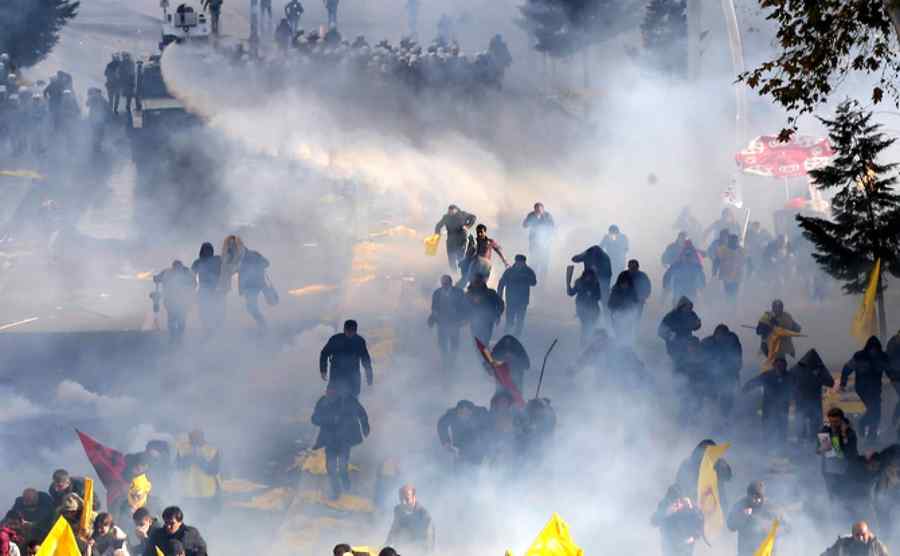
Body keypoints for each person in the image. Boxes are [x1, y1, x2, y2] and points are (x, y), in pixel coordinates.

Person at [311, 382, 370, 499]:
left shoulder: (348, 401)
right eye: (328, 391)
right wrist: (330, 419)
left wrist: (365, 426)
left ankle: (346, 483)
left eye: (332, 391)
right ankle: (336, 491)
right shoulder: (323, 402)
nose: (329, 394)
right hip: (330, 441)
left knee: (342, 467)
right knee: (330, 467)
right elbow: (314, 419)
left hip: (344, 441)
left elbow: (361, 412)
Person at [842, 336, 891, 442]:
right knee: (875, 410)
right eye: (871, 349)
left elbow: (890, 370)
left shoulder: (882, 357)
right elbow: (847, 368)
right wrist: (843, 382)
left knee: (876, 412)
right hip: (862, 388)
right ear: (868, 348)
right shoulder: (859, 356)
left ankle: (871, 435)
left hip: (876, 388)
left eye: (875, 349)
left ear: (878, 349)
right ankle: (863, 425)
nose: (873, 351)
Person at [742, 357, 793, 454]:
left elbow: (797, 388)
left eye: (782, 366)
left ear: (785, 367)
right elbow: (753, 382)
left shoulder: (790, 376)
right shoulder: (767, 376)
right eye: (778, 366)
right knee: (767, 432)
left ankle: (781, 452)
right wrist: (744, 390)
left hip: (782, 411)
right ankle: (766, 451)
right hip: (768, 410)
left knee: (782, 433)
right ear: (774, 366)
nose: (780, 368)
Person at [726, 481, 783, 556]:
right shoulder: (740, 505)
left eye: (758, 497)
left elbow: (785, 527)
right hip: (746, 552)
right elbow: (731, 526)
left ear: (762, 497)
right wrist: (742, 515)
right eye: (752, 497)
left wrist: (770, 527)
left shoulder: (770, 507)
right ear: (748, 496)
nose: (755, 500)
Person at [320, 320, 374, 398]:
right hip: (336, 378)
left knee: (352, 404)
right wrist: (323, 370)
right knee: (331, 402)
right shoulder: (335, 339)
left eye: (352, 332)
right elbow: (324, 353)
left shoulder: (360, 341)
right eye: (347, 331)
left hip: (353, 380)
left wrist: (369, 377)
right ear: (344, 329)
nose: (349, 333)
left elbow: (366, 360)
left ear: (355, 331)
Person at [818, 408, 860, 506]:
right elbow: (819, 451)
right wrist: (822, 448)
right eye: (831, 421)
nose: (833, 424)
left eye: (836, 421)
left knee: (845, 496)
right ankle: (835, 514)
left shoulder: (850, 433)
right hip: (829, 470)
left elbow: (851, 453)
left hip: (846, 470)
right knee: (832, 496)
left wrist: (843, 435)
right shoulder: (825, 430)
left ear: (841, 420)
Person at [174, 430, 221, 519]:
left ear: (202, 436)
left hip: (206, 494)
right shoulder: (182, 448)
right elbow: (177, 466)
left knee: (205, 521)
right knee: (188, 520)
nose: (193, 437)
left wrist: (199, 460)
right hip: (187, 493)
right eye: (191, 434)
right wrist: (190, 457)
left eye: (197, 435)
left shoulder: (212, 449)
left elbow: (213, 470)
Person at [675, 440, 733, 511]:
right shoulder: (688, 464)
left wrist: (722, 464)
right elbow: (679, 484)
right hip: (694, 506)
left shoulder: (717, 463)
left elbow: (728, 477)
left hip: (716, 507)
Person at [700, 324, 743, 422]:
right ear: (715, 335)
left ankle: (725, 417)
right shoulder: (707, 343)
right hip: (711, 374)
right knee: (711, 396)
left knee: (728, 395)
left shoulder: (733, 340)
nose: (722, 339)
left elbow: (737, 357)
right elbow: (701, 359)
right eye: (720, 336)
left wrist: (735, 370)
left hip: (729, 373)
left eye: (724, 336)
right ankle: (710, 416)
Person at [791, 349, 835, 441]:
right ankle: (802, 445)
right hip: (802, 403)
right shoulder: (798, 369)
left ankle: (815, 445)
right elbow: (788, 382)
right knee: (800, 428)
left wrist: (818, 374)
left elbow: (830, 382)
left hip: (814, 404)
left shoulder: (819, 369)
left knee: (816, 428)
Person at [428, 275, 468, 371]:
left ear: (450, 283)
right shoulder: (437, 293)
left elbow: (464, 307)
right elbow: (434, 308)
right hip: (442, 323)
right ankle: (445, 362)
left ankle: (452, 362)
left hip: (454, 322)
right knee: (442, 343)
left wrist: (464, 319)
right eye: (443, 283)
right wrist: (432, 318)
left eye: (446, 283)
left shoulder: (458, 293)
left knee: (454, 343)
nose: (444, 285)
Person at [650, 485, 704, 556]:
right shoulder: (664, 505)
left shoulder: (689, 507)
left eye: (680, 501)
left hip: (686, 545)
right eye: (675, 502)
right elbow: (653, 521)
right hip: (669, 545)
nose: (678, 504)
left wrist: (693, 538)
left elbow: (699, 524)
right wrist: (666, 512)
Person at [153, 261, 195, 346]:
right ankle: (176, 338)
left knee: (176, 320)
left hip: (177, 301)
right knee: (177, 320)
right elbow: (193, 284)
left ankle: (175, 338)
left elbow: (156, 279)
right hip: (174, 301)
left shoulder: (169, 272)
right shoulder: (171, 272)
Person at [437, 400, 490, 466]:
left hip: (477, 447)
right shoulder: (452, 414)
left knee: (476, 467)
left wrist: (485, 443)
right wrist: (445, 441)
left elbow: (490, 425)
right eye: (461, 413)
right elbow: (442, 424)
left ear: (472, 411)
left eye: (467, 413)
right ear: (457, 411)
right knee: (460, 468)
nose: (464, 415)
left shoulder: (481, 413)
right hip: (460, 447)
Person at [385, 485, 435, 554]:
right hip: (400, 549)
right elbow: (394, 529)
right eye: (401, 499)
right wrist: (385, 547)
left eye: (407, 499)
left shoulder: (424, 516)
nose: (403, 503)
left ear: (414, 498)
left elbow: (429, 542)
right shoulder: (398, 510)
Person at [497, 255, 537, 336]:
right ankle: (507, 335)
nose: (520, 264)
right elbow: (501, 284)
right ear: (515, 261)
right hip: (511, 300)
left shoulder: (528, 271)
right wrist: (499, 296)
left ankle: (517, 336)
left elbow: (534, 282)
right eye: (518, 262)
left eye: (521, 262)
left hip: (523, 301)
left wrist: (525, 278)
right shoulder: (509, 271)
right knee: (509, 319)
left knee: (520, 320)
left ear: (524, 262)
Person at [191, 242, 223, 336]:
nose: (207, 251)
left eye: (209, 249)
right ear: (202, 250)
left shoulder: (218, 259)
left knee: (216, 310)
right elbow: (192, 274)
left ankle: (214, 330)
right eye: (206, 249)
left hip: (216, 289)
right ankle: (208, 330)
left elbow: (227, 264)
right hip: (204, 289)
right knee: (203, 311)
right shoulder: (198, 262)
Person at [237, 243, 270, 331]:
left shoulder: (253, 255)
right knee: (251, 307)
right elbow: (241, 274)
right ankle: (263, 323)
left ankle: (263, 325)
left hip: (253, 286)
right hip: (253, 286)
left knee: (251, 307)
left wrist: (256, 266)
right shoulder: (242, 259)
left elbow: (266, 263)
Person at [434, 205, 476, 273]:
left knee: (460, 257)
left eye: (451, 210)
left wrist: (468, 226)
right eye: (449, 210)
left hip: (461, 240)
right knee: (451, 258)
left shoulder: (463, 214)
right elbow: (438, 225)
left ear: (455, 210)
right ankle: (454, 273)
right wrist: (437, 233)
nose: (450, 212)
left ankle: (464, 272)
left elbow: (473, 217)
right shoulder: (446, 217)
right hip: (451, 241)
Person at [566, 266, 602, 345]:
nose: (588, 278)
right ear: (584, 275)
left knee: (591, 326)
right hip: (581, 308)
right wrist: (568, 287)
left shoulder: (596, 284)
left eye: (590, 276)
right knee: (585, 326)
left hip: (594, 309)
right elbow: (571, 293)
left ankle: (590, 343)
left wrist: (592, 295)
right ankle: (584, 343)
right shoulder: (579, 282)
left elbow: (599, 296)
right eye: (587, 276)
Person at [466, 275, 504, 344]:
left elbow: (500, 304)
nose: (477, 283)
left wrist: (497, 315)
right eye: (476, 282)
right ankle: (480, 352)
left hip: (487, 320)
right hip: (475, 320)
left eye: (479, 281)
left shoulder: (490, 293)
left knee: (485, 339)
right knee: (477, 339)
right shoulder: (469, 294)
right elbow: (464, 306)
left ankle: (483, 351)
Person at [522, 203, 555, 279]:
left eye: (539, 210)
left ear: (543, 209)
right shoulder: (531, 215)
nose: (538, 211)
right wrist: (532, 220)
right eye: (536, 210)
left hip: (545, 244)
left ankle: (543, 281)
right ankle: (533, 279)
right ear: (534, 209)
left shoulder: (547, 216)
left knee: (544, 263)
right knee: (534, 262)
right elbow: (524, 225)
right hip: (534, 243)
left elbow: (552, 227)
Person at [607, 270, 641, 342]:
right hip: (617, 315)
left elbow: (635, 303)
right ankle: (620, 344)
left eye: (626, 283)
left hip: (628, 315)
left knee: (627, 332)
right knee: (618, 332)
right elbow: (610, 304)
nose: (624, 285)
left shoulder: (632, 291)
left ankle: (626, 345)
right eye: (622, 283)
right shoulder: (615, 290)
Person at [821, 521, 889, 556]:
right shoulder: (843, 544)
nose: (860, 538)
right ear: (853, 535)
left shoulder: (876, 544)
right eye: (857, 535)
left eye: (863, 534)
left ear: (868, 533)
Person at [716, 233, 744, 303]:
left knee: (731, 293)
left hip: (733, 275)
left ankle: (731, 306)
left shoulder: (724, 249)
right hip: (729, 275)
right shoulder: (724, 249)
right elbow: (718, 259)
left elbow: (717, 259)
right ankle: (730, 306)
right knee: (730, 293)